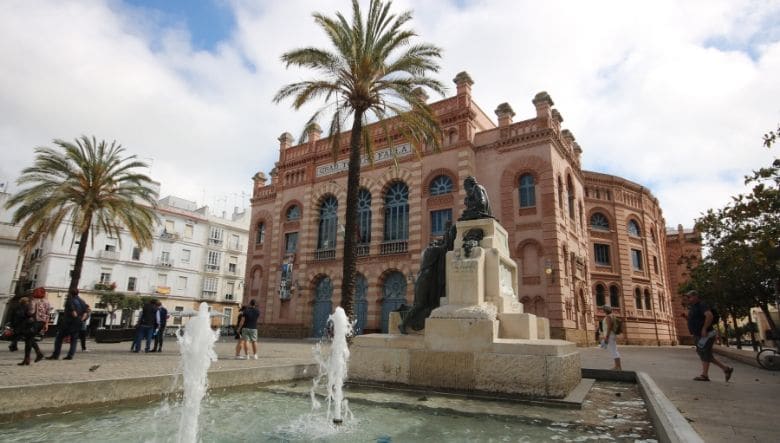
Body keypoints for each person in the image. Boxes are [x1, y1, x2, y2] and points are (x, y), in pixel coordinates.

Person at [685, 290, 733, 382]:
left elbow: (709, 315)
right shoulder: (693, 307)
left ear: (695, 296)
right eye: (688, 297)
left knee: (704, 353)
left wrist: (704, 328)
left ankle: (705, 375)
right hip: (699, 334)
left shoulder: (701, 305)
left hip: (705, 335)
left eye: (689, 297)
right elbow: (696, 320)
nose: (688, 299)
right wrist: (686, 318)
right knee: (705, 354)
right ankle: (726, 369)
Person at [47, 289, 88, 360]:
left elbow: (73, 312)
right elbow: (85, 313)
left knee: (59, 338)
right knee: (74, 340)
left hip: (69, 323)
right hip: (78, 323)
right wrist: (81, 320)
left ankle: (56, 355)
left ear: (70, 294)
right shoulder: (82, 301)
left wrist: (76, 318)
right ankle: (70, 355)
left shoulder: (70, 301)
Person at [12, 297, 43, 365]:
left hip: (28, 326)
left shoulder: (24, 308)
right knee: (29, 342)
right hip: (32, 325)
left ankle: (34, 356)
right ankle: (29, 358)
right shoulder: (31, 306)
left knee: (29, 341)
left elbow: (22, 316)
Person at [599, 306, 622, 371]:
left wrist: (607, 337)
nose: (602, 311)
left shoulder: (609, 317)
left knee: (614, 350)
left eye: (603, 309)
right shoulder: (611, 316)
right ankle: (617, 366)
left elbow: (609, 328)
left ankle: (618, 367)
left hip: (610, 335)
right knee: (613, 350)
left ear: (605, 310)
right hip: (611, 335)